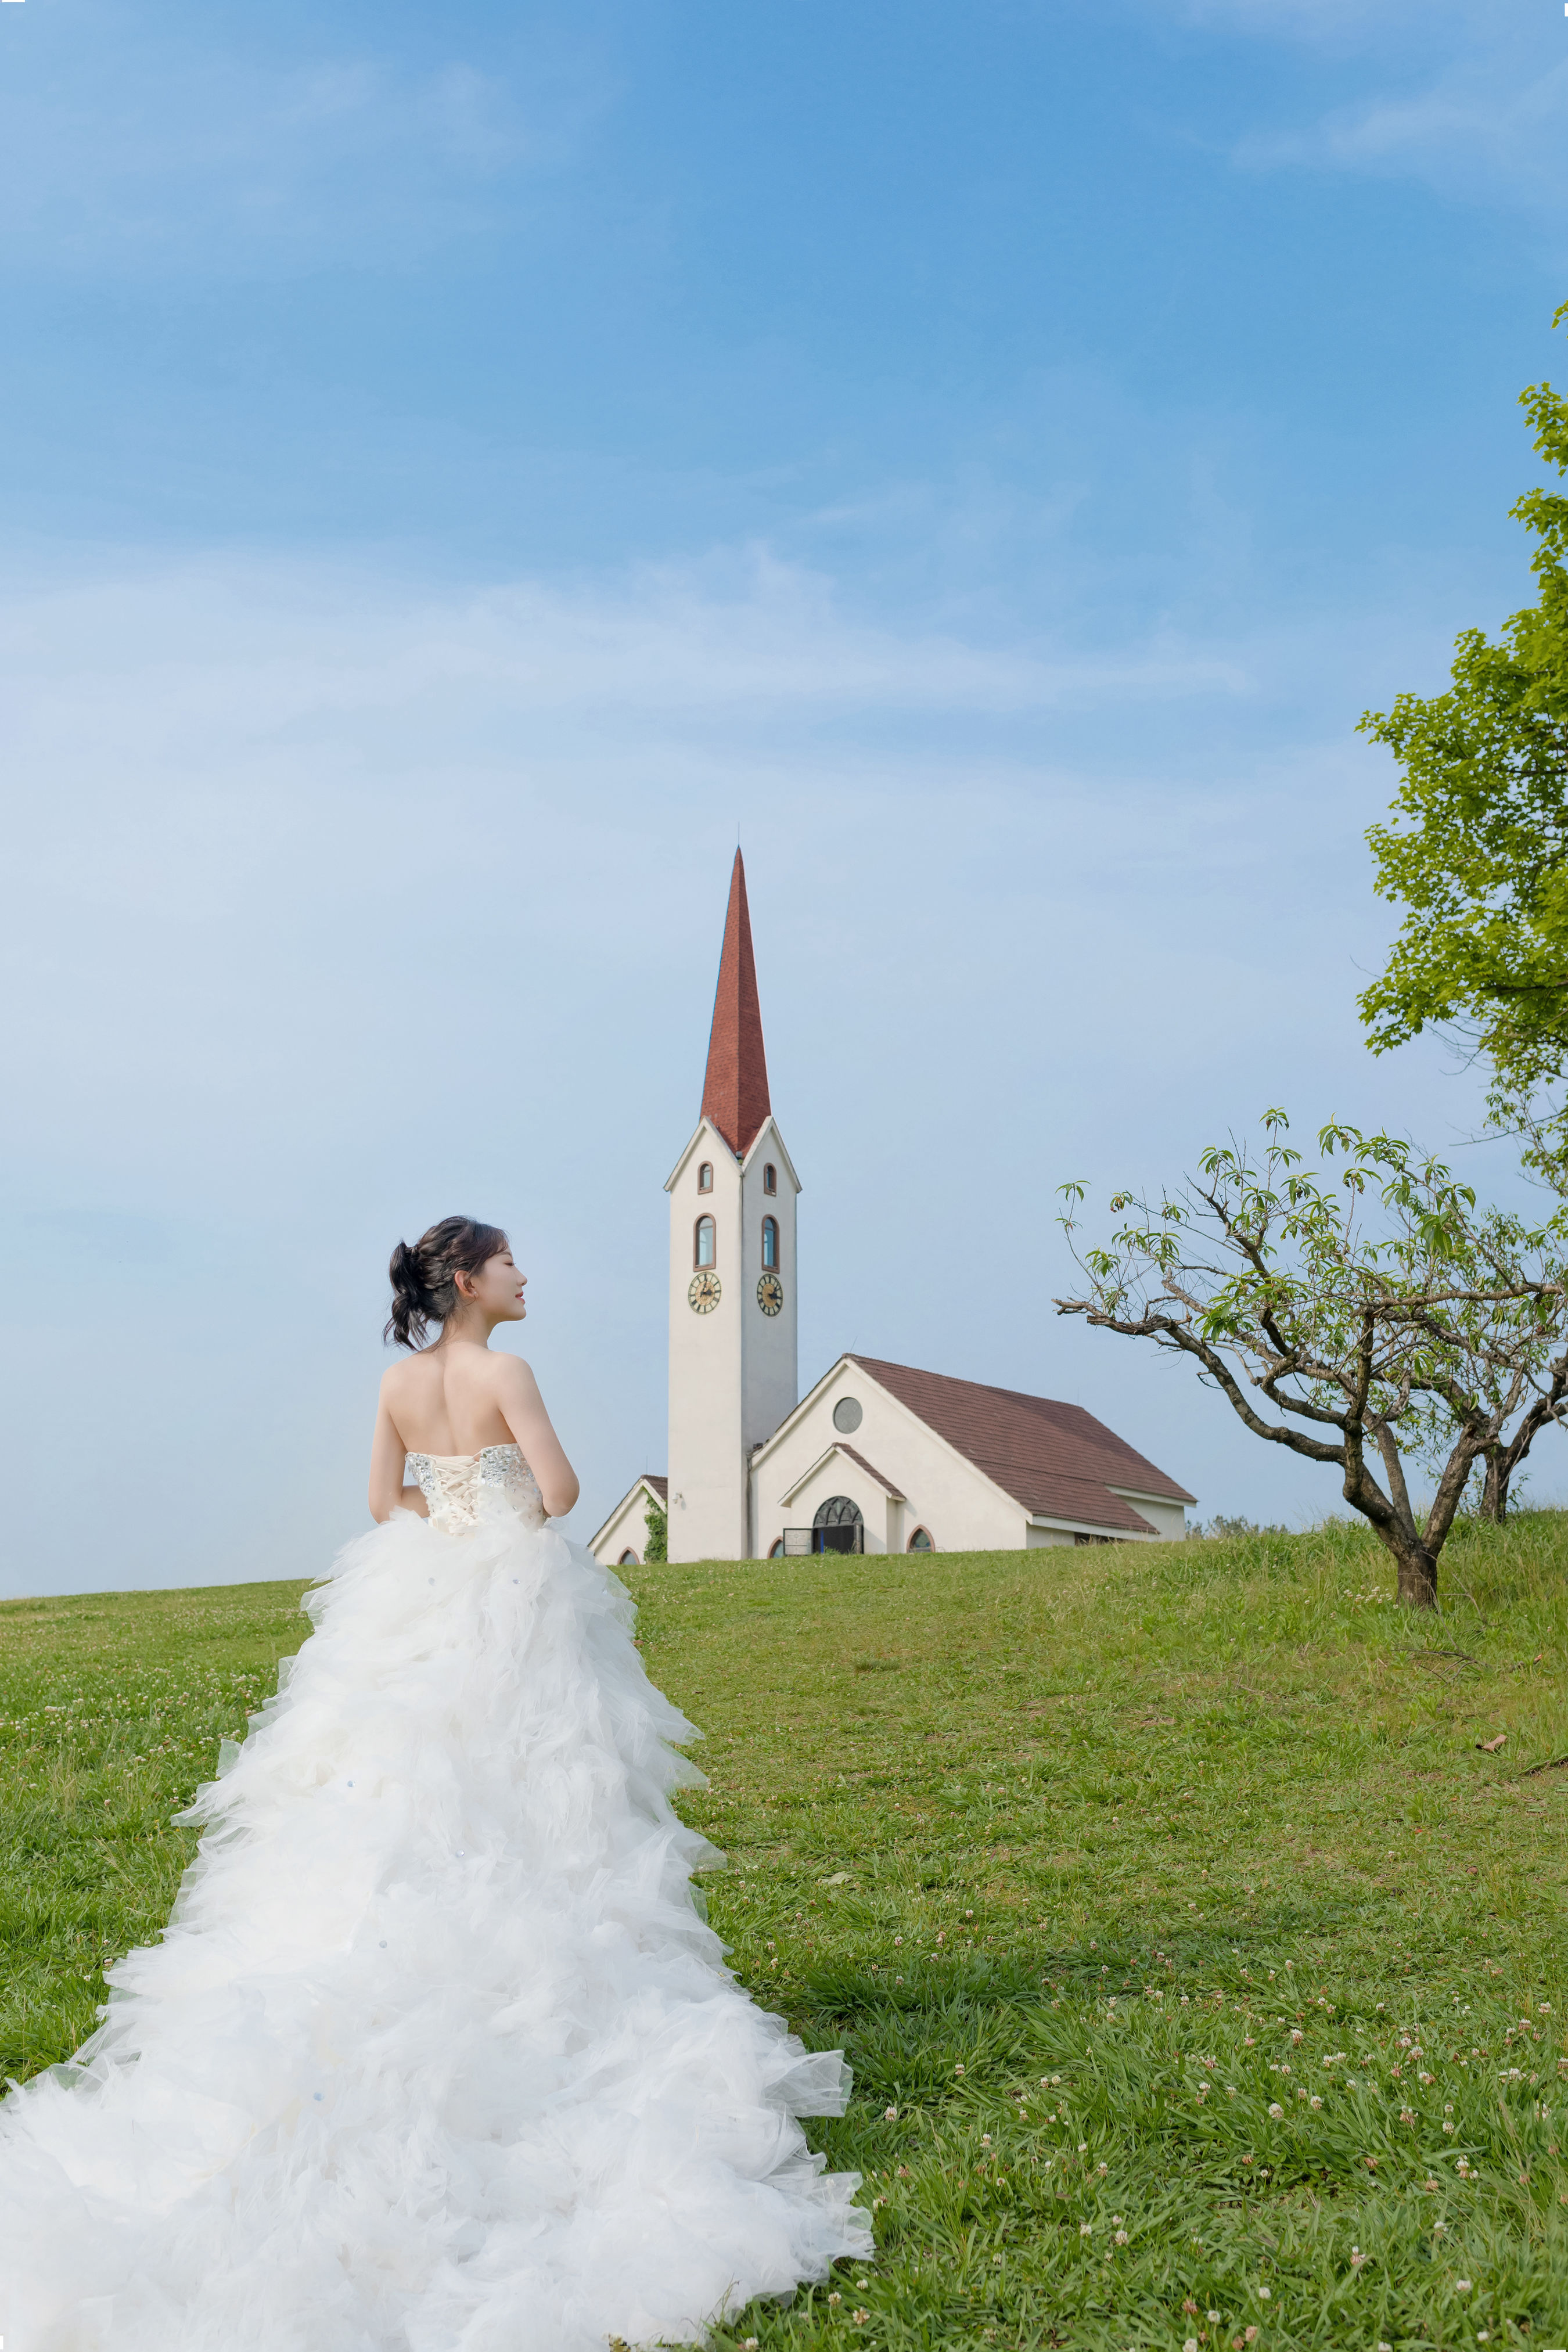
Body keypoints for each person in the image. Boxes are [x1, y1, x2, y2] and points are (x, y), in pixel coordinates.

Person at [0, 1216, 871, 2350]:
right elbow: (556, 1492)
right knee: (541, 1796)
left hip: (422, 1594)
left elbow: (382, 1504)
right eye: (510, 1262)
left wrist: (448, 1515)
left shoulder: (398, 1387)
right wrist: (498, 1511)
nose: (525, 1276)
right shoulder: (506, 1370)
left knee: (405, 1791)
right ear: (470, 1280)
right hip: (512, 1598)